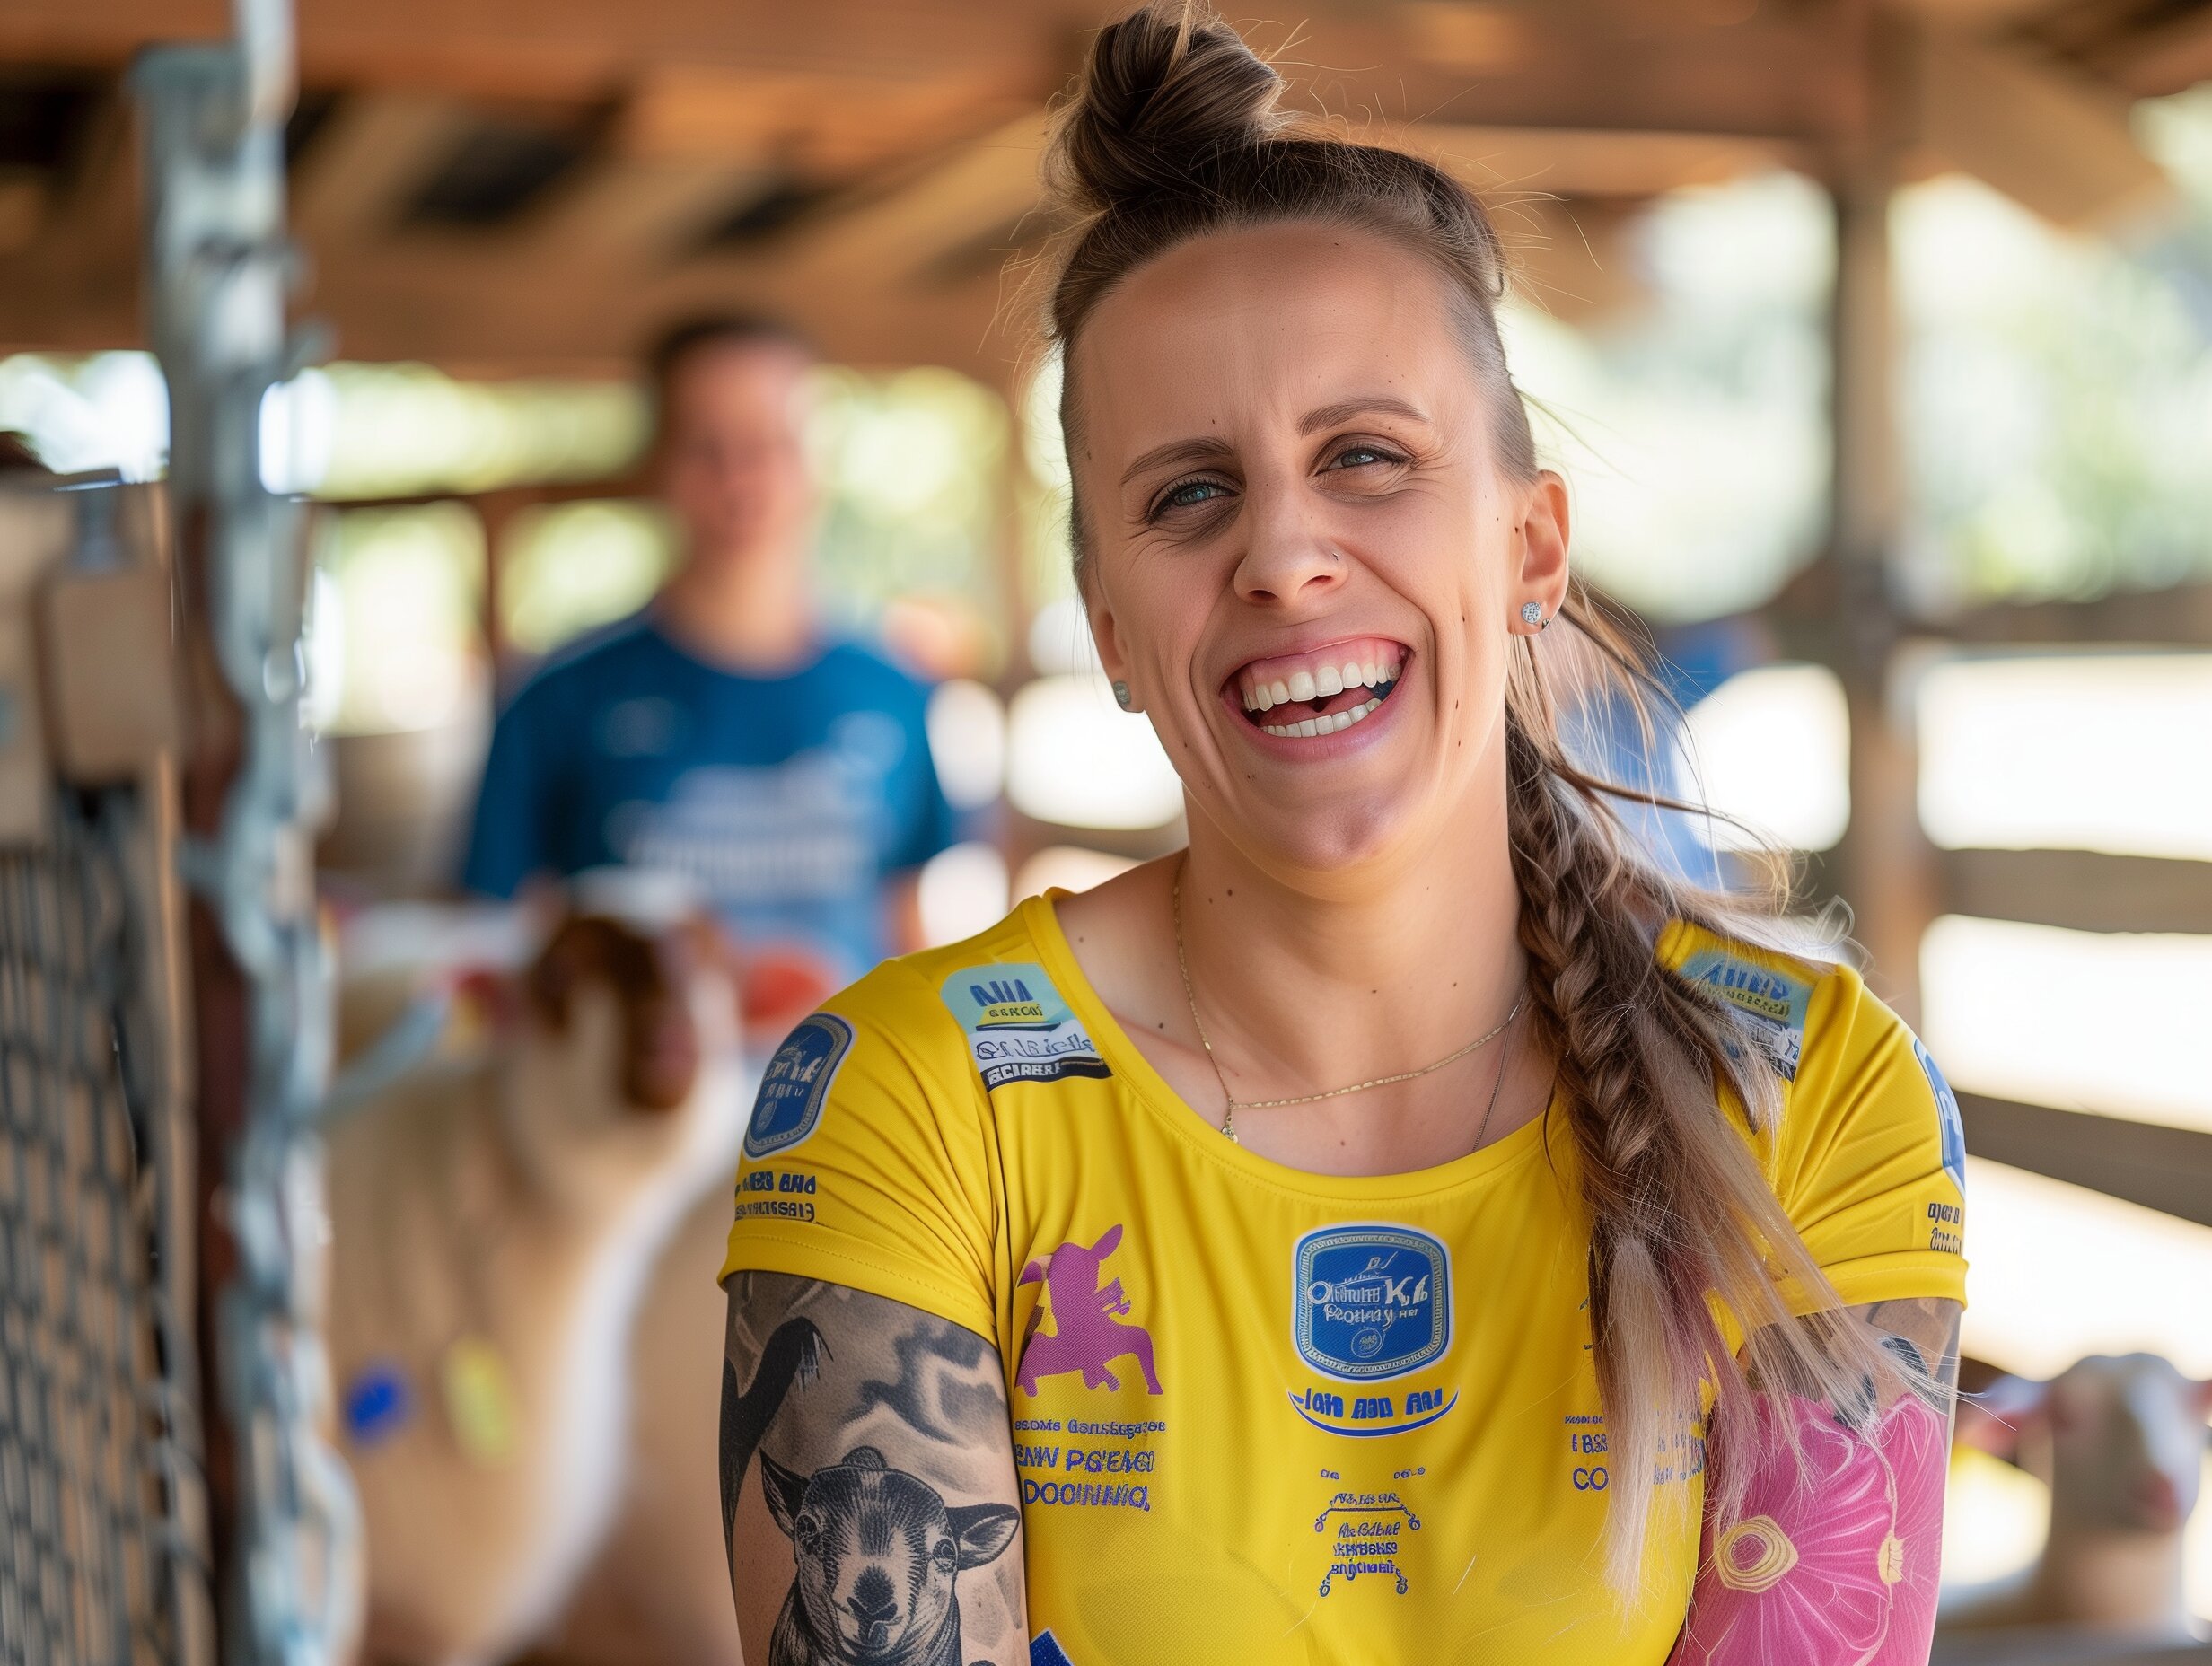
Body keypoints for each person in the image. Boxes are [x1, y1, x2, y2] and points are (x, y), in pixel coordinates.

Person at [715, 10, 1968, 1663]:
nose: (1282, 554)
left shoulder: (1808, 1094)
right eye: (1184, 495)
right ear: (1103, 622)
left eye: (1363, 457)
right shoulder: (914, 1102)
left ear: (1528, 544)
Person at [460, 315, 957, 1042]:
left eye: (770, 445)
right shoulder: (555, 698)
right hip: (636, 1115)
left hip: (850, 1108)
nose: (740, 478)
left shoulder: (893, 689)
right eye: (706, 446)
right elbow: (496, 944)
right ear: (656, 463)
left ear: (815, 462)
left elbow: (911, 928)